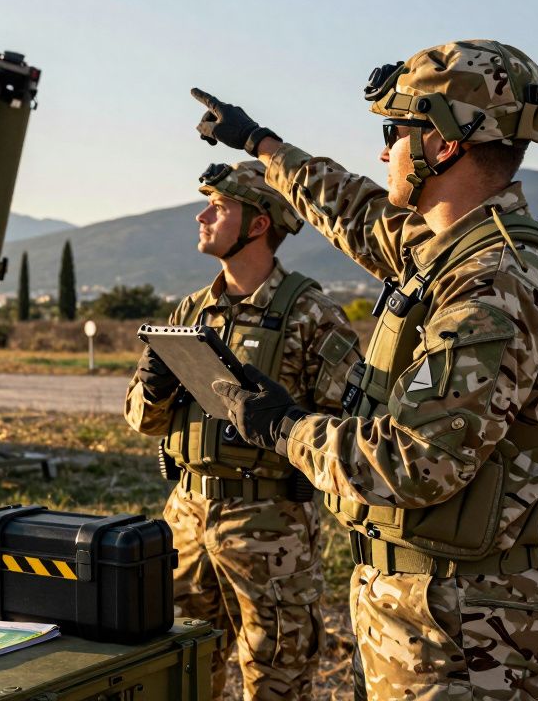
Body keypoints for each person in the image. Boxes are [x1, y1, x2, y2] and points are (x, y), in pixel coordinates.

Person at [191, 39, 538, 699]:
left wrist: (283, 427)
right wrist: (264, 146)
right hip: (427, 618)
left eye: (396, 131)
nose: (383, 151)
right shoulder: (452, 250)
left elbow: (412, 461)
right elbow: (356, 213)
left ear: (445, 144)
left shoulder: (493, 286)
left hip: (464, 640)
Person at [124, 161, 361, 699]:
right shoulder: (191, 311)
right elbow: (143, 420)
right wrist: (153, 387)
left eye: (220, 206)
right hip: (186, 519)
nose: (202, 215)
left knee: (277, 678)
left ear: (257, 226)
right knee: (177, 670)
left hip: (271, 529)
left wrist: (286, 424)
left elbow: (353, 432)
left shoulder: (312, 315)